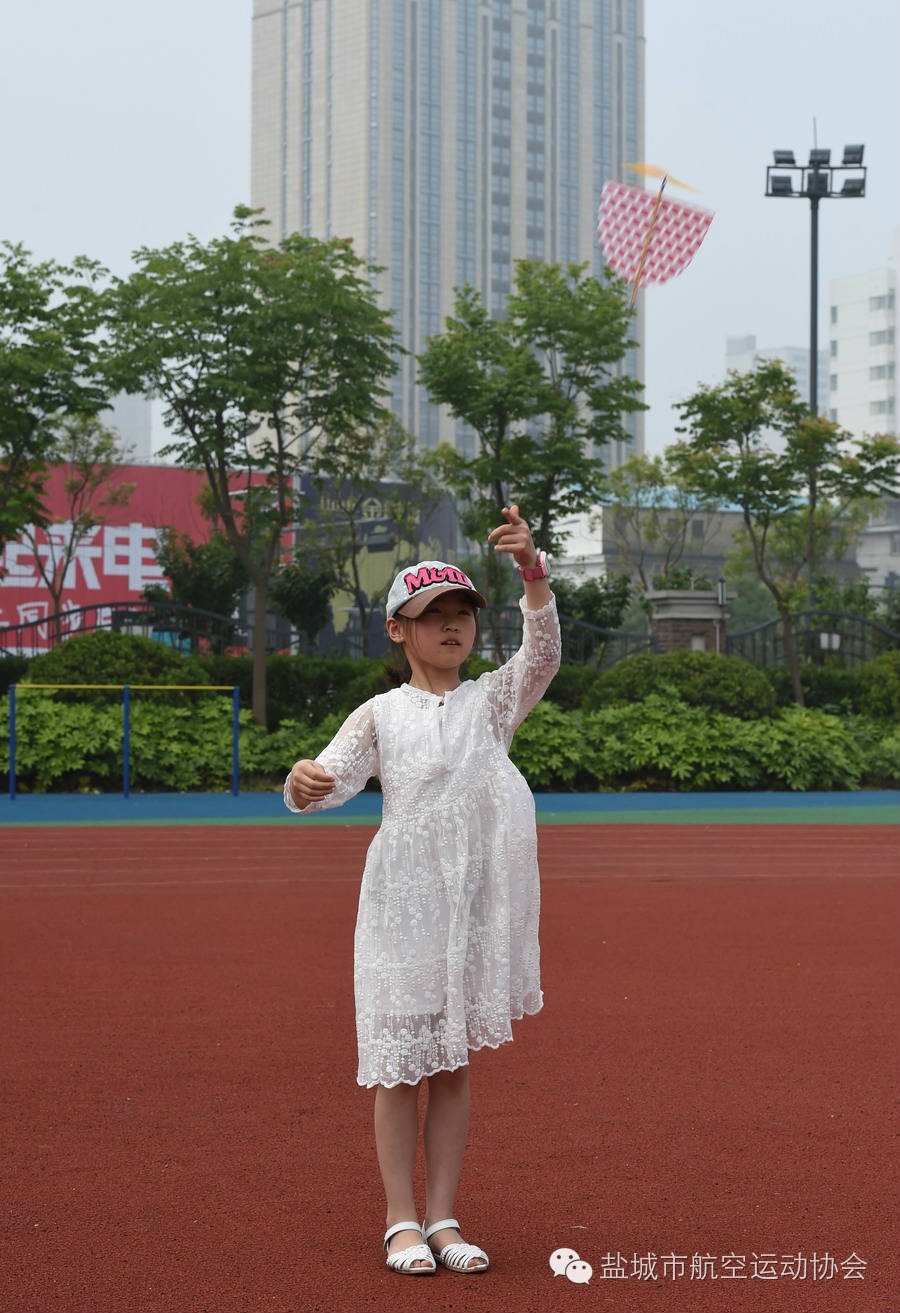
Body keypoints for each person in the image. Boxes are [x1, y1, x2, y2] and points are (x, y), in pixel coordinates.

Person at [284, 505, 560, 1276]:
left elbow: (542, 655)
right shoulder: (379, 712)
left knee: (453, 1064)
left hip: (467, 912)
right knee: (398, 1066)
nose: (449, 626)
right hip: (400, 907)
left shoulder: (491, 704)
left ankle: (443, 1214)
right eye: (430, 614)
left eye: (461, 613)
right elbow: (328, 777)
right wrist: (302, 782)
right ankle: (398, 1219)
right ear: (397, 630)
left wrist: (532, 573)